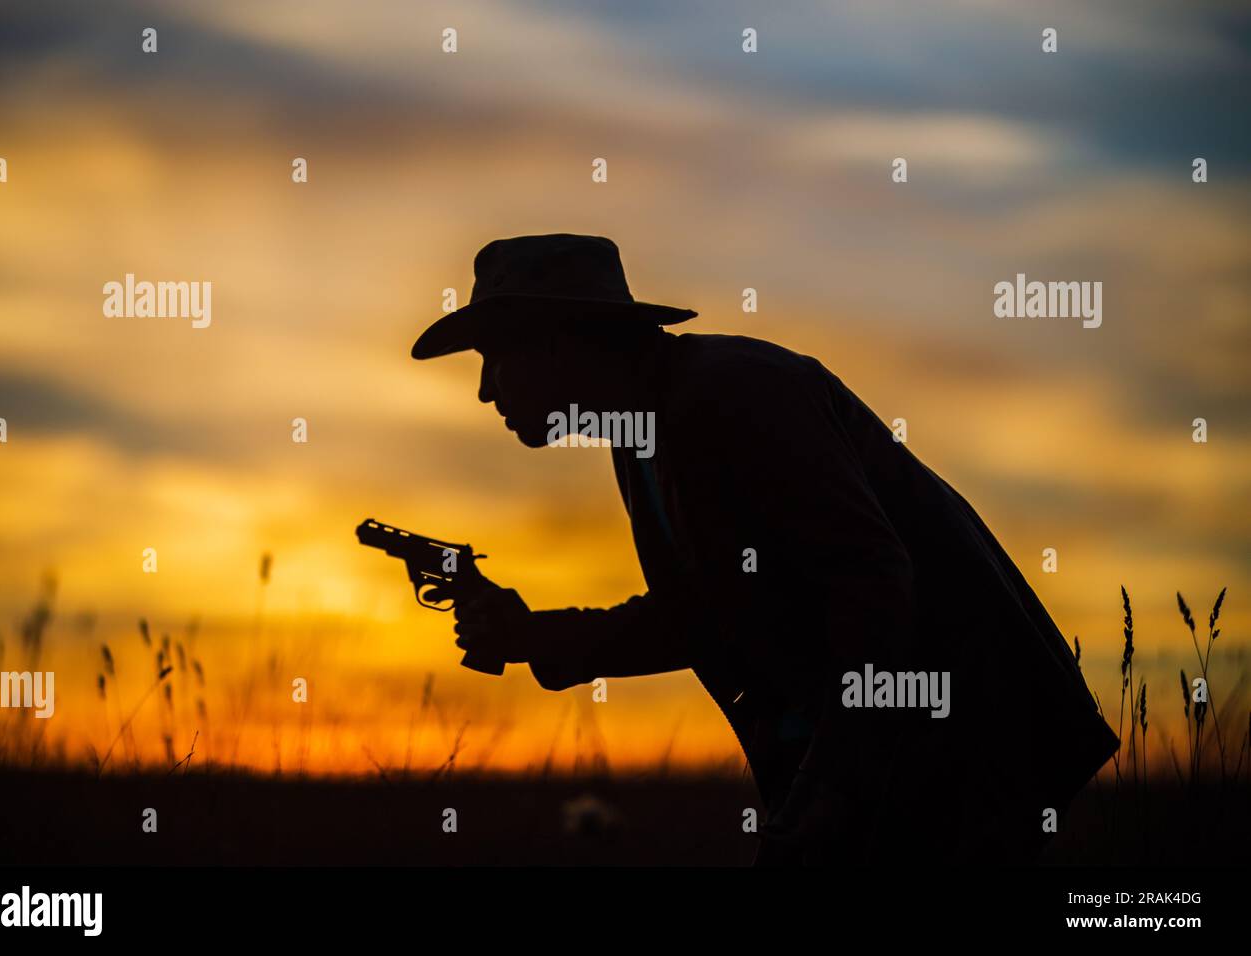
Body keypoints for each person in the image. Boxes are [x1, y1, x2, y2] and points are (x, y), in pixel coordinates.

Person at [411, 233, 1119, 865]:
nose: (482, 391)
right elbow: (703, 613)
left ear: (564, 341)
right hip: (902, 755)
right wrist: (536, 635)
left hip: (961, 748)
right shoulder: (646, 432)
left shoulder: (733, 392)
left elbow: (869, 579)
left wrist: (835, 784)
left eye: (495, 359)